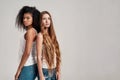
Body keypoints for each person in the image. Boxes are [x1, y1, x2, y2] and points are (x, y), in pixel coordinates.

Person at [15, 6, 40, 80]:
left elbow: (27, 52)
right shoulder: (34, 31)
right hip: (32, 65)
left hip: (27, 66)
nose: (25, 20)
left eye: (28, 18)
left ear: (33, 19)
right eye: (24, 18)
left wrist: (19, 69)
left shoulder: (30, 32)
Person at [36, 11, 61, 80]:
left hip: (54, 70)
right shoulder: (40, 36)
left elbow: (57, 54)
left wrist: (58, 71)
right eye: (44, 19)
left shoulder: (52, 35)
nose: (47, 21)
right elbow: (38, 57)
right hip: (45, 71)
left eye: (49, 18)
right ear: (40, 21)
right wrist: (41, 76)